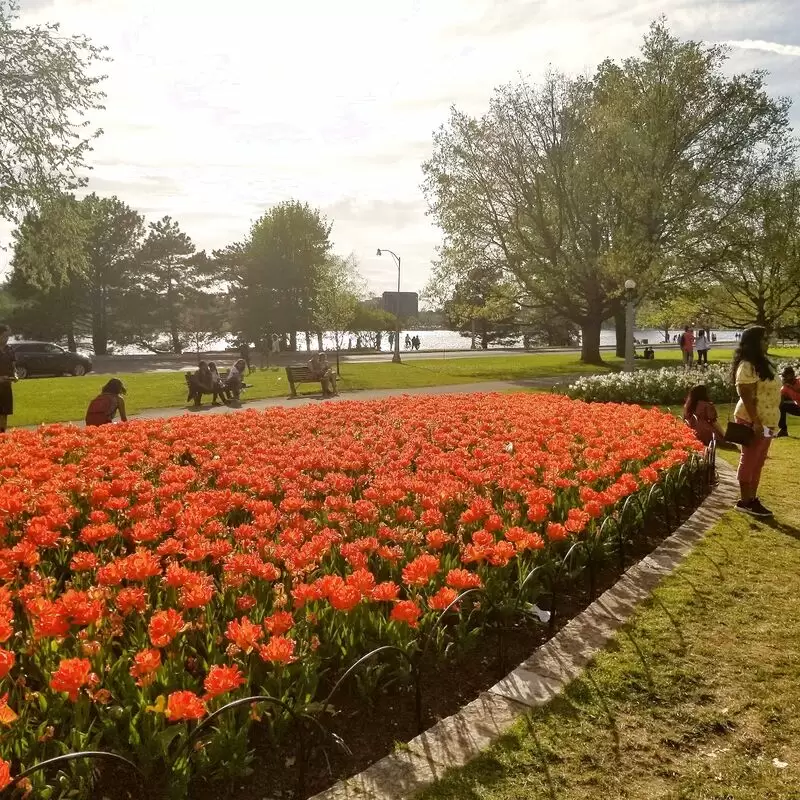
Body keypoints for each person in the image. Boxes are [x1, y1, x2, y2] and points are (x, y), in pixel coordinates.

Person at [732, 326, 781, 517]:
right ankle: (745, 501)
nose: (767, 342)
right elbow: (745, 394)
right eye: (764, 339)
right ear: (754, 342)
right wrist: (755, 422)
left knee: (759, 461)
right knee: (749, 459)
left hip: (769, 422)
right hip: (752, 421)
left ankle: (752, 498)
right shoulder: (747, 366)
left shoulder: (763, 363)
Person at [0, 325, 18, 434]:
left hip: (6, 387)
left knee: (4, 413)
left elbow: (14, 367)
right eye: (5, 336)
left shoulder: (9, 350)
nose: (7, 338)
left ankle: (2, 436)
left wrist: (15, 375)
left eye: (8, 336)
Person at [778, 365, 800, 437]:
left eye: (785, 375)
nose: (783, 377)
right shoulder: (784, 388)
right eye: (783, 376)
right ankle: (783, 430)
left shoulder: (799, 381)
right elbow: (781, 402)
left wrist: (792, 387)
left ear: (792, 375)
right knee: (782, 406)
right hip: (798, 408)